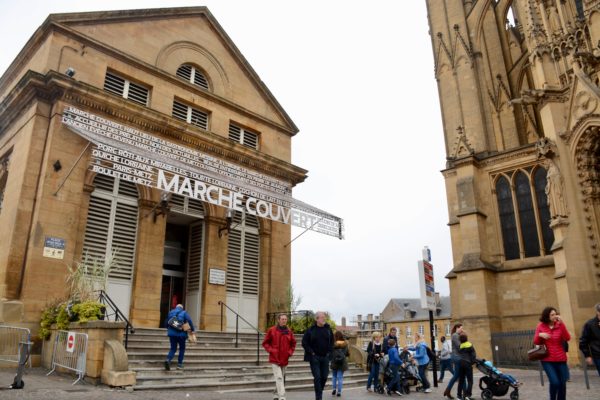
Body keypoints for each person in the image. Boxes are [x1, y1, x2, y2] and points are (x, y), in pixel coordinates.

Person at [534, 306, 571, 400]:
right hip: (547, 360)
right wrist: (540, 335)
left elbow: (567, 338)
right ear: (547, 316)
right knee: (555, 382)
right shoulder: (540, 326)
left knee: (562, 383)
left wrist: (562, 324)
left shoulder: (559, 325)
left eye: (556, 314)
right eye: (552, 314)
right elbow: (536, 342)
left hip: (561, 358)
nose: (555, 316)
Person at [262, 313, 297, 400]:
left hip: (285, 358)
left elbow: (293, 343)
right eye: (282, 319)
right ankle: (282, 396)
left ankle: (275, 394)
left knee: (281, 378)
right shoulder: (272, 330)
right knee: (279, 377)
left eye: (285, 319)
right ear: (278, 320)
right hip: (275, 358)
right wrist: (271, 350)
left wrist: (289, 352)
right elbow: (265, 343)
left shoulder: (289, 331)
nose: (284, 321)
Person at [302, 311, 334, 400]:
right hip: (314, 357)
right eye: (322, 317)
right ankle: (318, 397)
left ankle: (319, 391)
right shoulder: (310, 330)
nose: (324, 318)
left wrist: (329, 353)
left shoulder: (328, 329)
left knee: (324, 376)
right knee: (317, 377)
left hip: (325, 357)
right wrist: (311, 352)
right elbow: (304, 343)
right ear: (317, 319)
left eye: (325, 317)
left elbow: (332, 342)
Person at [164, 304, 194, 370]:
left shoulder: (171, 312)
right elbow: (189, 320)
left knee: (173, 348)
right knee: (182, 349)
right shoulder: (184, 312)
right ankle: (179, 364)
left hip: (172, 334)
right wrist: (192, 329)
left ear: (176, 307)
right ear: (182, 308)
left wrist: (168, 328)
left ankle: (168, 360)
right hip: (181, 334)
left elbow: (166, 322)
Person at [444, 323, 465, 399]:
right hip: (457, 358)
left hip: (457, 357)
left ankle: (448, 390)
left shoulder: (457, 335)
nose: (462, 330)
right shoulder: (455, 335)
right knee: (462, 376)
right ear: (457, 328)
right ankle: (464, 394)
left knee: (456, 376)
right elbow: (460, 347)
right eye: (461, 328)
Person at [579, 302, 600, 376]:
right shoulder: (590, 324)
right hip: (598, 354)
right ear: (597, 312)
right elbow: (583, 341)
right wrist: (587, 355)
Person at [457, 333, 476, 400]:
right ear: (466, 338)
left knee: (461, 380)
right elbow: (473, 355)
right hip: (467, 363)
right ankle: (468, 395)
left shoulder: (460, 346)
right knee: (470, 380)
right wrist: (472, 362)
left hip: (460, 363)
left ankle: (459, 396)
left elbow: (459, 353)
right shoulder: (470, 345)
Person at [330, 331, 349, 397]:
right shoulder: (345, 344)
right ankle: (339, 392)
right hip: (342, 362)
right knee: (340, 377)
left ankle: (334, 389)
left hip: (334, 361)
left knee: (334, 376)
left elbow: (330, 353)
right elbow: (347, 353)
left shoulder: (333, 343)